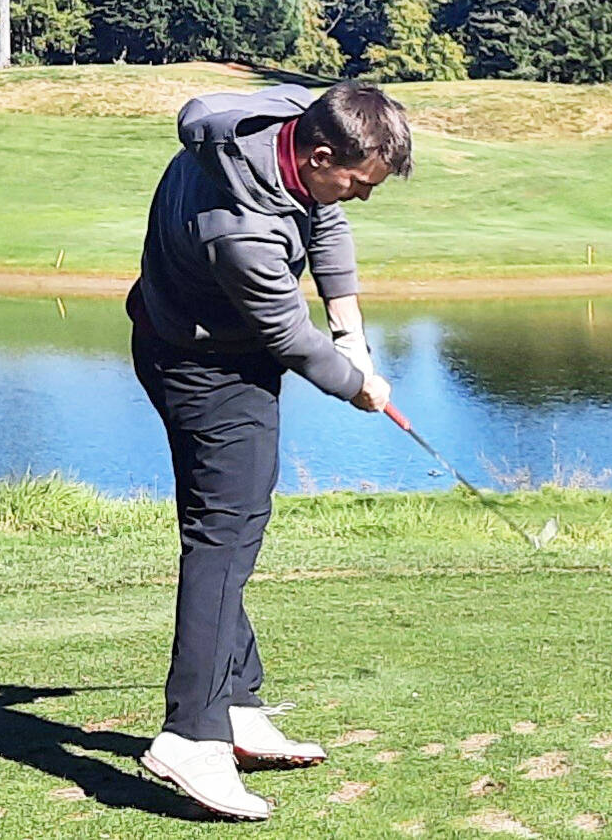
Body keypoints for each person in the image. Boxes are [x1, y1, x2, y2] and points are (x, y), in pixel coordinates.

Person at [126, 80, 410, 820]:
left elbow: (328, 220)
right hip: (202, 365)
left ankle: (236, 702)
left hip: (211, 340)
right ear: (319, 155)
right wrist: (361, 385)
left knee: (238, 520)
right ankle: (191, 731)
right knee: (224, 535)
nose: (363, 196)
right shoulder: (241, 230)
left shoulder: (288, 115)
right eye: (358, 181)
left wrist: (352, 329)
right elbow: (288, 337)